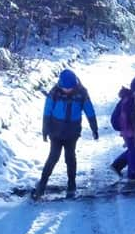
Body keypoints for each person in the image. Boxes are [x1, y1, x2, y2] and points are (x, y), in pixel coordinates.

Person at [32, 69, 99, 200]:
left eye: (70, 88)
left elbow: (89, 111)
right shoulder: (54, 93)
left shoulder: (82, 93)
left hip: (72, 132)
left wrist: (94, 128)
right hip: (55, 130)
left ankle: (71, 185)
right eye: (65, 88)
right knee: (53, 157)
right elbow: (47, 111)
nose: (67, 90)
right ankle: (42, 184)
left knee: (70, 157)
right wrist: (45, 129)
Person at [109, 76, 135, 181]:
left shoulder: (129, 97)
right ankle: (133, 174)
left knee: (133, 149)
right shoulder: (132, 99)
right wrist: (132, 131)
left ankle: (117, 165)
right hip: (130, 130)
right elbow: (131, 117)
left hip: (127, 130)